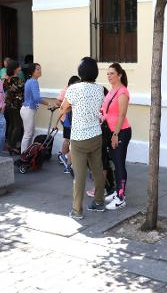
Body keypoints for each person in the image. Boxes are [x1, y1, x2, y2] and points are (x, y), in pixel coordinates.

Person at [58, 57, 106, 220]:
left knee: (79, 175)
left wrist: (73, 106)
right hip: (95, 134)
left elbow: (63, 107)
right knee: (97, 169)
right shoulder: (100, 89)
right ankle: (99, 202)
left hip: (79, 137)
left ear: (80, 72)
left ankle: (77, 210)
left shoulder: (73, 89)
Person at [102, 63, 132, 210]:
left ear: (119, 75)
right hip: (111, 131)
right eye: (108, 73)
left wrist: (115, 134)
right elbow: (106, 111)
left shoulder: (122, 92)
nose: (109, 76)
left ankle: (121, 197)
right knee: (115, 162)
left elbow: (121, 115)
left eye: (112, 73)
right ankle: (117, 193)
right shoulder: (112, 91)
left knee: (119, 164)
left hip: (121, 132)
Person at [20, 63, 51, 152]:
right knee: (28, 134)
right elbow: (36, 98)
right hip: (28, 109)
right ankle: (23, 155)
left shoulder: (31, 81)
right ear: (32, 71)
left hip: (28, 109)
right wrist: (48, 103)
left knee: (30, 133)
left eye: (40, 69)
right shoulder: (33, 81)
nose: (40, 71)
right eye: (37, 69)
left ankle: (27, 153)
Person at [55, 75, 80, 175]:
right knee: (69, 142)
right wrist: (56, 123)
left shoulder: (75, 93)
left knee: (70, 143)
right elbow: (61, 107)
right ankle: (65, 159)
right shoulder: (67, 92)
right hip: (68, 122)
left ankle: (66, 159)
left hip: (71, 122)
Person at [3, 60, 25, 155]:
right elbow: (22, 91)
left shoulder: (6, 79)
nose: (20, 68)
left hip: (8, 104)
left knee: (11, 125)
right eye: (19, 67)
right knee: (18, 125)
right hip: (16, 105)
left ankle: (9, 144)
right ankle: (12, 146)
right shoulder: (17, 80)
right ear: (15, 69)